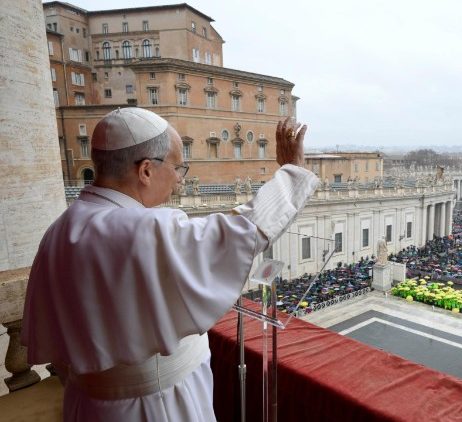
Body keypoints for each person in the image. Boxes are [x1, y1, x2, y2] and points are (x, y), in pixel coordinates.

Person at [21, 108, 318, 421]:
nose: (179, 179)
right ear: (146, 170)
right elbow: (243, 231)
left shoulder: (59, 229)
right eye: (178, 167)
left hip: (87, 406)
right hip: (155, 407)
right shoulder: (144, 231)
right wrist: (292, 171)